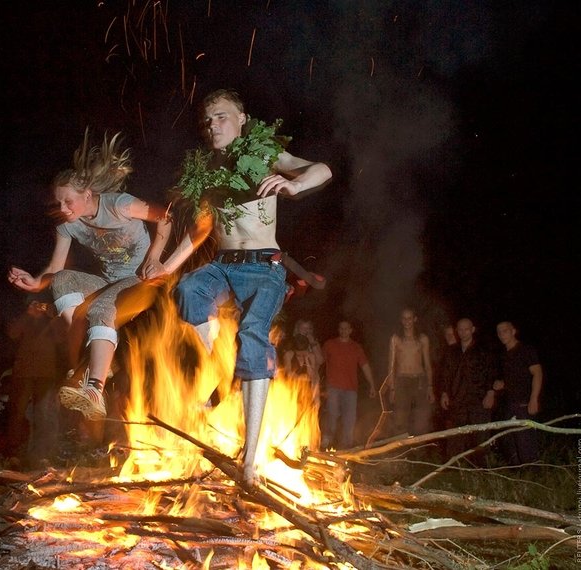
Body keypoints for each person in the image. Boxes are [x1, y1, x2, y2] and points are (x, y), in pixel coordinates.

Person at [152, 88, 333, 485]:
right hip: (223, 265)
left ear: (242, 119)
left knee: (253, 335)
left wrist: (294, 186)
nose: (212, 125)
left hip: (263, 267)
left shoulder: (262, 153)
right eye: (208, 120)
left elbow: (322, 169)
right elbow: (201, 230)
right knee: (187, 291)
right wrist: (166, 266)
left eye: (221, 116)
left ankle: (250, 459)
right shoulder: (210, 170)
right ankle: (225, 363)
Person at [8, 130, 173, 421]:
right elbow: (55, 269)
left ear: (87, 195)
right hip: (109, 282)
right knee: (62, 281)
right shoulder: (67, 225)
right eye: (58, 203)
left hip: (141, 281)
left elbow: (165, 217)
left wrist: (156, 258)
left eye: (68, 201)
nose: (63, 209)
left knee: (99, 308)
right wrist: (35, 283)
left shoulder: (118, 204)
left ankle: (94, 388)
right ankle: (90, 359)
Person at [3, 294, 69, 468]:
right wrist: (28, 314)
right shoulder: (25, 318)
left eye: (42, 304)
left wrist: (52, 316)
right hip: (24, 373)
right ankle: (13, 454)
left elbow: (62, 338)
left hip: (46, 374)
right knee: (17, 413)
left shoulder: (52, 321)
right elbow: (12, 333)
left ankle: (39, 455)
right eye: (35, 303)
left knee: (43, 415)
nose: (39, 306)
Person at [439, 318, 498, 460]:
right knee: (455, 434)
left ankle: (481, 467)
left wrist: (490, 393)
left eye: (466, 329)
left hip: (478, 398)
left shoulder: (483, 349)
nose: (463, 332)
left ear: (472, 329)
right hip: (457, 398)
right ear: (456, 331)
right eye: (460, 329)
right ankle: (453, 466)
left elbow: (491, 372)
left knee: (480, 434)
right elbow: (446, 374)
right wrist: (444, 393)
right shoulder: (452, 351)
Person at [319, 320, 377, 450]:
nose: (343, 330)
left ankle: (347, 447)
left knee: (349, 419)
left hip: (351, 389)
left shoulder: (356, 347)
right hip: (333, 387)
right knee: (332, 415)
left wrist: (372, 384)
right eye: (341, 328)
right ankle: (327, 441)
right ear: (338, 329)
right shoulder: (330, 344)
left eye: (346, 328)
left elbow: (365, 366)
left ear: (351, 330)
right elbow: (319, 360)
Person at [493, 320, 543, 464]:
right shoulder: (504, 355)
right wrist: (502, 384)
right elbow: (513, 378)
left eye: (505, 331)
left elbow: (537, 373)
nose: (502, 335)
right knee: (510, 441)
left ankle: (533, 475)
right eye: (499, 332)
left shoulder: (525, 350)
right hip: (509, 403)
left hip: (524, 403)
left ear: (513, 331)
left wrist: (534, 398)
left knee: (526, 442)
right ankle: (519, 476)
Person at [385, 307, 434, 437]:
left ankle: (419, 450)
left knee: (421, 419)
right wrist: (392, 389)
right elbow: (391, 365)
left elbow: (428, 365)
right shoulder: (395, 339)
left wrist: (430, 387)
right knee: (400, 418)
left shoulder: (422, 339)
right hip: (401, 380)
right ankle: (400, 449)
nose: (407, 321)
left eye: (410, 318)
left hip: (419, 380)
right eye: (404, 318)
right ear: (401, 321)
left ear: (415, 319)